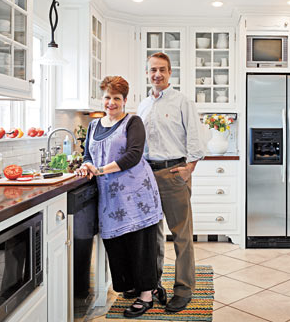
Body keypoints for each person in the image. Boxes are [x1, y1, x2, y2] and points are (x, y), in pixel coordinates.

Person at [76, 76, 164, 318]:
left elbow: (133, 156)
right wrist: (86, 165)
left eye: (116, 98)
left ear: (125, 100)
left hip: (136, 194)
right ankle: (137, 286)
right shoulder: (94, 126)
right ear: (101, 99)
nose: (111, 102)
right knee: (117, 243)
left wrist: (100, 170)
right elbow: (87, 155)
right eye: (107, 97)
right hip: (111, 198)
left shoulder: (133, 122)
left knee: (140, 244)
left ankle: (146, 295)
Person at [138, 52, 204, 312]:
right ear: (147, 73)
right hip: (147, 177)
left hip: (174, 172)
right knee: (152, 236)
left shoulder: (182, 102)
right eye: (153, 69)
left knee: (181, 236)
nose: (157, 74)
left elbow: (196, 141)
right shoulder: (143, 106)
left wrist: (189, 170)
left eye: (162, 70)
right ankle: (153, 285)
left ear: (170, 73)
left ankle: (184, 289)